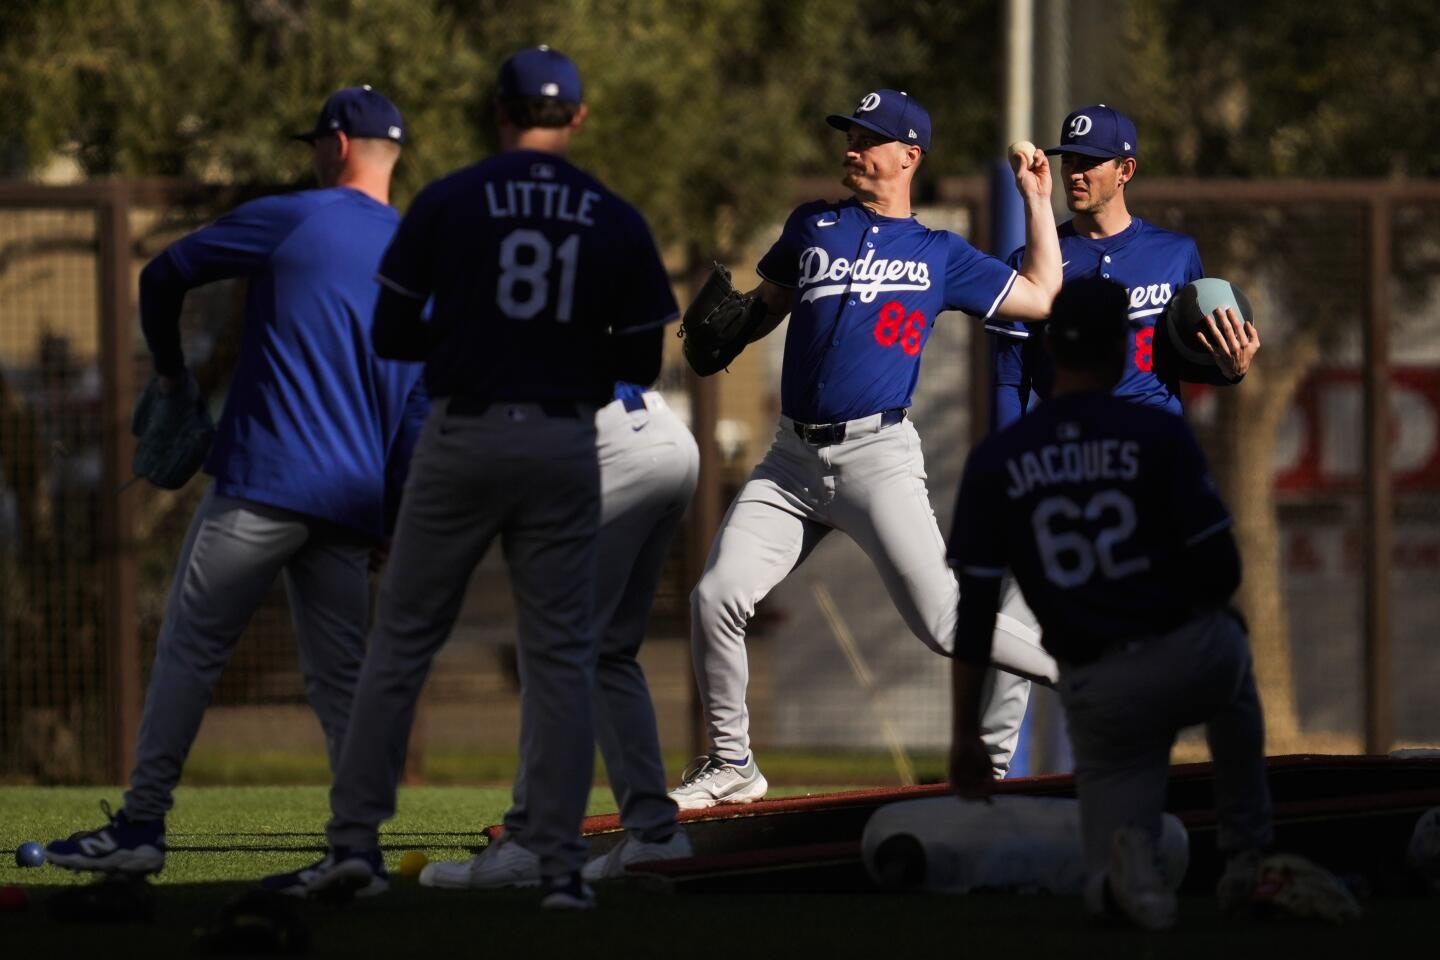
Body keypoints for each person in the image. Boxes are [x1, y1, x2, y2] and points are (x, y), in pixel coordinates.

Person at [261, 46, 673, 910]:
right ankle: (558, 870)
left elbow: (394, 334)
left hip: (463, 433)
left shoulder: (449, 198)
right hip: (564, 441)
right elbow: (643, 356)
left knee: (402, 642)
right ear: (580, 119)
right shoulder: (612, 214)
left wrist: (478, 339)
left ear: (497, 112)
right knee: (561, 658)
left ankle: (352, 848)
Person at [45, 87, 427, 874]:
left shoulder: (296, 214)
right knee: (342, 680)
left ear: (340, 145)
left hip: (264, 481)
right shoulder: (420, 255)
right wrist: (391, 514)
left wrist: (177, 377)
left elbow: (164, 275)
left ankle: (140, 828)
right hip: (353, 502)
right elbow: (419, 409)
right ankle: (356, 847)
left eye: (318, 141)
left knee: (190, 651)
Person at [672, 89, 1064, 810]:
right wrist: (736, 326)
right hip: (790, 462)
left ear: (908, 155)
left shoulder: (940, 252)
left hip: (878, 455)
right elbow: (766, 303)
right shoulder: (812, 224)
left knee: (945, 621)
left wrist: (1037, 200)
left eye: (868, 139)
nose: (852, 149)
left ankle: (1085, 668)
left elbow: (1043, 295)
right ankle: (732, 763)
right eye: (850, 137)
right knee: (716, 597)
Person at [948, 277, 1275, 930]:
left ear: (1052, 352)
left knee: (1111, 882)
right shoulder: (1156, 433)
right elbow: (1222, 568)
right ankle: (1247, 861)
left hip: (1094, 687)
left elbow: (977, 613)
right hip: (1181, 653)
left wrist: (964, 736)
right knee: (1232, 651)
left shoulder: (998, 459)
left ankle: (1130, 871)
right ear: (1122, 352)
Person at [420, 382, 699, 890]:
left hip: (610, 452)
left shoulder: (445, 318)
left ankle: (534, 843)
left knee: (554, 652)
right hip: (666, 440)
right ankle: (655, 836)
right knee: (607, 654)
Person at [988, 104, 1260, 426]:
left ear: (1125, 170)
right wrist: (1008, 456)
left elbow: (1191, 359)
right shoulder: (1030, 261)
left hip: (1153, 443)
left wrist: (1231, 371)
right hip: (1073, 444)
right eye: (1070, 161)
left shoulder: (1176, 253)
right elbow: (1009, 379)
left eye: (1090, 162)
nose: (1075, 173)